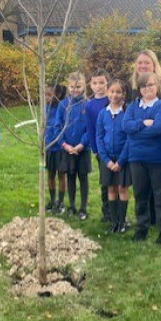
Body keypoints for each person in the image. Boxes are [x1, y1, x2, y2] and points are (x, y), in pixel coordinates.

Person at [122, 72, 161, 245]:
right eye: (144, 86)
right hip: (136, 158)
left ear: (157, 86)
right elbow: (125, 126)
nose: (147, 89)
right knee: (140, 195)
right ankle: (141, 228)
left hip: (156, 159)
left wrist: (136, 132)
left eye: (151, 85)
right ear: (139, 89)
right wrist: (143, 123)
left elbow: (158, 128)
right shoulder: (133, 106)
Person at [96, 79, 131, 233]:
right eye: (112, 91)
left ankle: (122, 222)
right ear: (107, 92)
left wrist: (121, 161)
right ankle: (114, 221)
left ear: (123, 94)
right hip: (107, 159)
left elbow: (130, 138)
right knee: (111, 189)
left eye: (118, 92)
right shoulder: (103, 114)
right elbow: (99, 137)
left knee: (122, 189)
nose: (115, 95)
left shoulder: (127, 113)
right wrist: (107, 161)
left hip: (123, 159)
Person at [56, 72, 91, 219]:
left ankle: (83, 208)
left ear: (84, 86)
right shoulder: (63, 104)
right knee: (70, 177)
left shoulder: (87, 105)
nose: (75, 89)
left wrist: (82, 144)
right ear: (68, 87)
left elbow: (90, 128)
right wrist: (65, 145)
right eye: (72, 87)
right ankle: (72, 206)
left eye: (78, 87)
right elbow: (58, 126)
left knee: (83, 178)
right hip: (67, 148)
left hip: (83, 149)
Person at [85, 69, 110, 222]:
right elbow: (90, 129)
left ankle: (119, 214)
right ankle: (106, 212)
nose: (98, 86)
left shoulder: (112, 100)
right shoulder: (89, 106)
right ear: (90, 85)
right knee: (105, 182)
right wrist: (95, 149)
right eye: (95, 83)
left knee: (119, 184)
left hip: (116, 148)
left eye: (102, 82)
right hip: (101, 150)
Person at [44, 84, 67, 214]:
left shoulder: (62, 107)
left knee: (61, 174)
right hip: (49, 146)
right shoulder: (45, 107)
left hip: (60, 146)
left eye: (49, 95)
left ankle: (61, 201)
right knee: (50, 174)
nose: (46, 98)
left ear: (57, 95)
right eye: (45, 95)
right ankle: (52, 200)